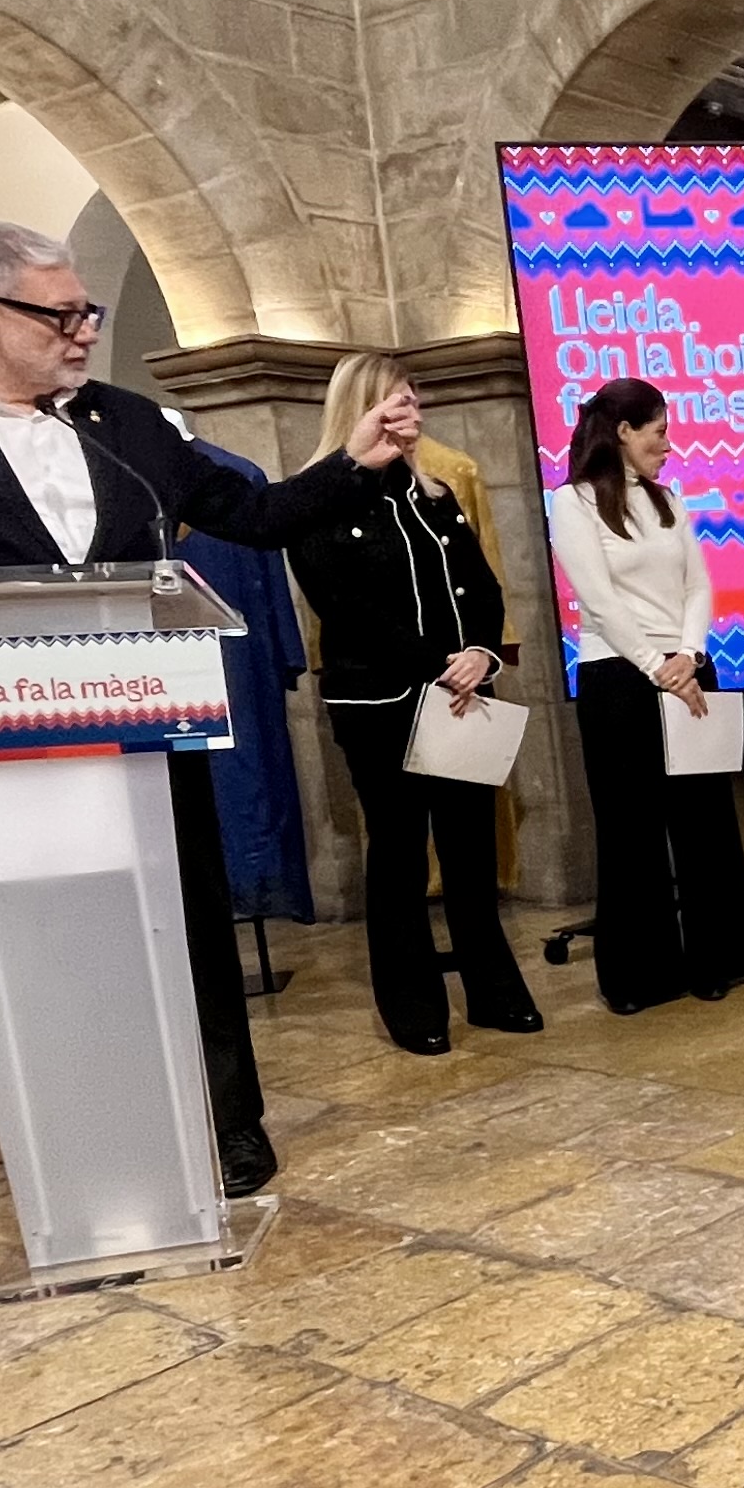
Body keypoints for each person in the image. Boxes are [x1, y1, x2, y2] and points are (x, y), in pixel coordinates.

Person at [0, 222, 414, 1196]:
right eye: (63, 315)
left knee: (190, 925)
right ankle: (92, 1126)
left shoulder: (130, 422)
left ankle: (229, 1122)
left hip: (144, 712)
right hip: (8, 735)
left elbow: (251, 518)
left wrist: (354, 460)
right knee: (57, 940)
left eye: (86, 310)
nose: (87, 330)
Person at [289, 353, 544, 1053]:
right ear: (363, 409)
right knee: (399, 854)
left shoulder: (434, 493)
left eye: (415, 401)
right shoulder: (317, 497)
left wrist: (482, 652)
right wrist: (438, 665)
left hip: (462, 694)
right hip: (381, 702)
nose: (415, 415)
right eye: (399, 403)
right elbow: (346, 606)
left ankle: (493, 991)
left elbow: (481, 586)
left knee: (470, 850)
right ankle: (412, 1006)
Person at [548, 376, 744, 1014]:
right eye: (659, 431)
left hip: (687, 670)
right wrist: (655, 665)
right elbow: (599, 598)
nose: (668, 445)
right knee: (630, 828)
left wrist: (689, 655)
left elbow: (698, 585)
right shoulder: (573, 502)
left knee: (704, 821)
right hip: (619, 675)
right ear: (622, 432)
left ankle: (716, 959)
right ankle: (639, 975)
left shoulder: (669, 499)